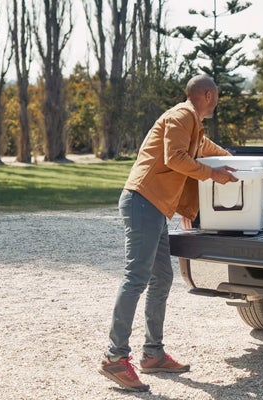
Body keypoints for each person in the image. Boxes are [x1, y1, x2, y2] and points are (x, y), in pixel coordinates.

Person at [98, 75, 238, 392]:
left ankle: (153, 354)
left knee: (161, 278)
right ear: (208, 94)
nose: (217, 101)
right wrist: (212, 174)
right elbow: (174, 158)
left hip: (155, 206)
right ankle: (114, 357)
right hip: (142, 201)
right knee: (136, 277)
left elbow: (207, 149)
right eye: (216, 96)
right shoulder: (182, 115)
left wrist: (241, 165)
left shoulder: (193, 125)